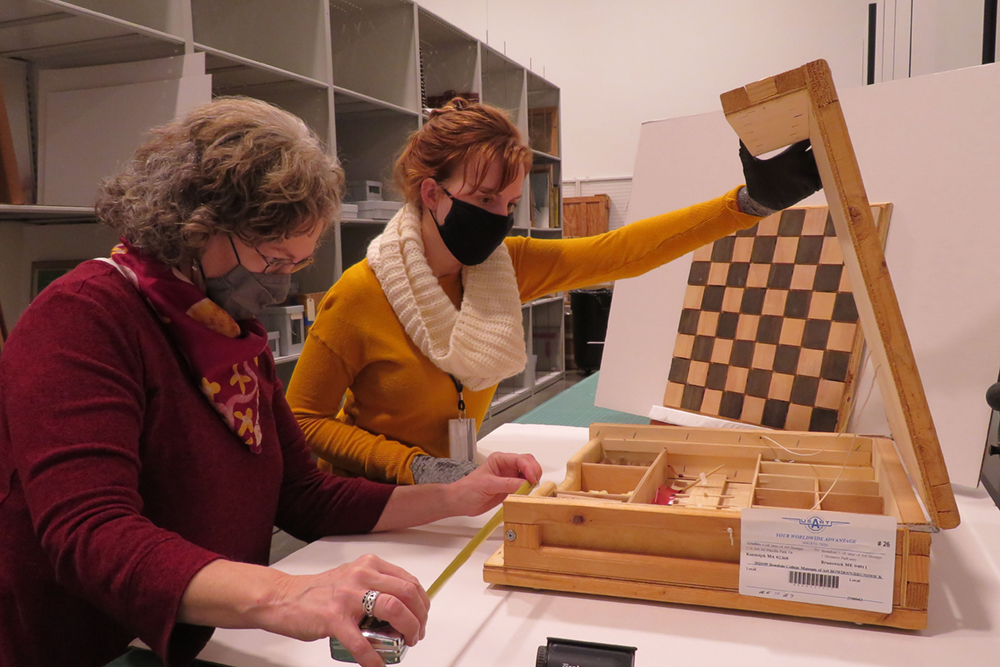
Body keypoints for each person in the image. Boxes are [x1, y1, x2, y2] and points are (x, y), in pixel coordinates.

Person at [0, 96, 541, 667]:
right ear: (197, 222)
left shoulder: (226, 330)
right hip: (86, 646)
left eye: (295, 266)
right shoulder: (84, 317)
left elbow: (299, 493)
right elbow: (90, 532)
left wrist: (452, 496)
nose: (280, 288)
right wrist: (285, 595)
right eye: (271, 260)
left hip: (209, 637)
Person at [286, 98, 822, 485]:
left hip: (456, 488)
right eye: (484, 198)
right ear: (432, 192)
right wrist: (416, 467)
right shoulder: (359, 295)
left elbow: (620, 252)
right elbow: (304, 420)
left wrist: (746, 204)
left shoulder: (503, 267)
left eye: (510, 204)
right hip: (372, 500)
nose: (499, 217)